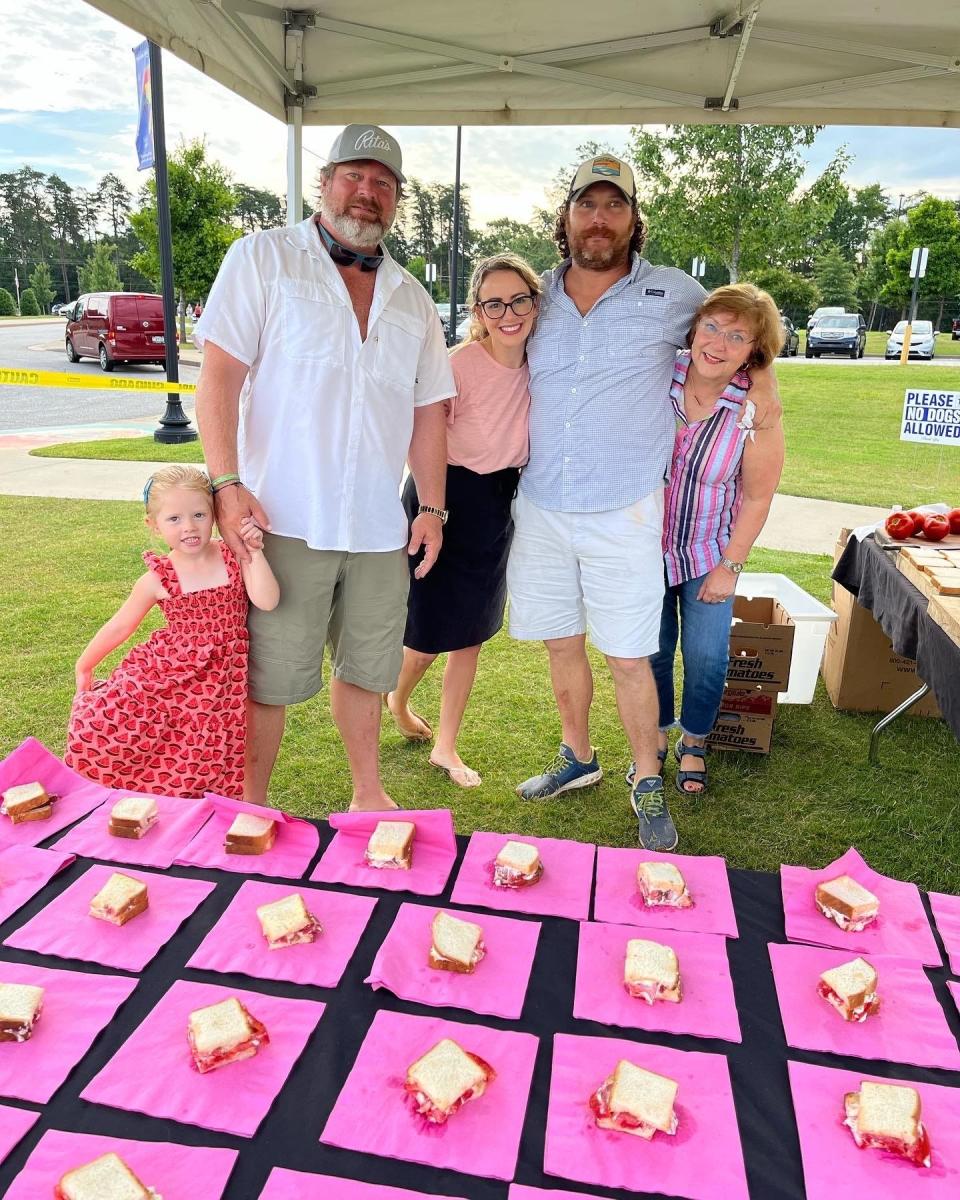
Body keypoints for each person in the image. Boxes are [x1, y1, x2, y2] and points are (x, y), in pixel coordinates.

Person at [508, 153, 779, 852]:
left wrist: (768, 386)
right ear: (565, 219)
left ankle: (648, 777)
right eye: (586, 206)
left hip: (626, 508)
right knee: (561, 643)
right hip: (539, 504)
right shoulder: (533, 297)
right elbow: (483, 349)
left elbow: (739, 334)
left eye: (615, 206)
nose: (600, 220)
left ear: (635, 219)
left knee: (631, 656)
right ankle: (577, 758)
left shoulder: (678, 293)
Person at [192, 124, 453, 813]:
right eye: (354, 177)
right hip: (282, 514)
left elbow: (430, 411)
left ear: (397, 200)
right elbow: (218, 378)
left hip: (375, 525)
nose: (366, 194)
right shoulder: (262, 258)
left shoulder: (412, 298)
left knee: (369, 669)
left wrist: (431, 506)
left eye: (383, 184)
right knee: (269, 674)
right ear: (325, 181)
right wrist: (224, 482)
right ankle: (251, 801)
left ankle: (368, 793)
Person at [385, 253, 541, 787]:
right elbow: (420, 436)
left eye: (519, 299)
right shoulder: (456, 364)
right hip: (442, 496)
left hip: (497, 502)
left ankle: (446, 747)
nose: (508, 313)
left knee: (471, 633)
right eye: (494, 303)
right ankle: (398, 700)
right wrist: (433, 509)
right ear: (478, 310)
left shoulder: (542, 364)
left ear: (536, 302)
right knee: (428, 632)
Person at [66, 465, 279, 799]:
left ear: (215, 516)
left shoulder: (231, 557)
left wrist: (254, 552)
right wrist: (85, 664)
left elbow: (267, 600)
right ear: (153, 525)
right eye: (174, 519)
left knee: (205, 751)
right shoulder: (158, 578)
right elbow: (122, 624)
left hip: (219, 682)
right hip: (169, 675)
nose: (190, 527)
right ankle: (141, 804)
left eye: (199, 515)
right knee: (123, 730)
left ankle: (200, 813)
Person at [650, 285, 785, 795]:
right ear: (693, 328)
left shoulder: (755, 408)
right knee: (653, 652)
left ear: (753, 350)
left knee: (707, 657)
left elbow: (757, 497)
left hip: (709, 553)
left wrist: (731, 564)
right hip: (641, 550)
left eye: (737, 336)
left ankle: (694, 741)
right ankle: (657, 732)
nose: (719, 343)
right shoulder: (658, 372)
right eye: (711, 326)